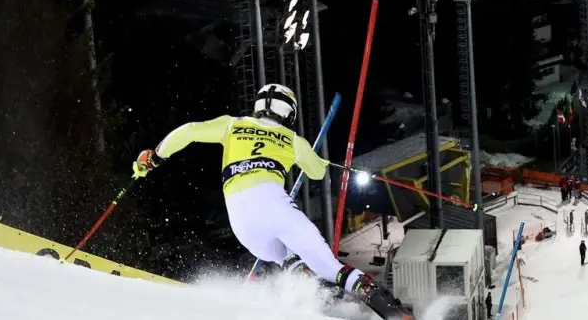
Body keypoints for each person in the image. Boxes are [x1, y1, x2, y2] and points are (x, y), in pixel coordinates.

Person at [132, 84, 406, 316]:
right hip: (276, 207)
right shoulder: (293, 140)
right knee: (333, 269)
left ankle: (310, 295)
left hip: (241, 221)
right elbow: (318, 173)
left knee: (283, 255)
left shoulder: (232, 125)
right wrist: (315, 159)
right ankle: (391, 311)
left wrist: (156, 157)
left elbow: (190, 130)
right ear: (288, 113)